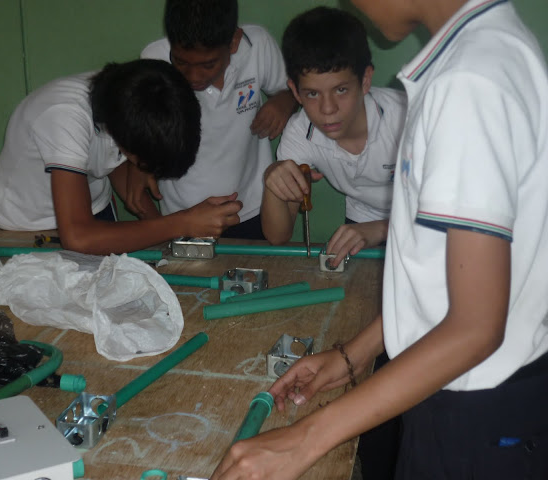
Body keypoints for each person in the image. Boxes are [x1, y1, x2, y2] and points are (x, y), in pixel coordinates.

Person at [211, 0, 548, 479]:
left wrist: (304, 439)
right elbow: (435, 280)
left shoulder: (469, 82)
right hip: (459, 389)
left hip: (476, 408)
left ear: (365, 81)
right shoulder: (481, 54)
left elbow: (475, 327)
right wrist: (353, 355)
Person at [0, 60, 242, 255]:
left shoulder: (125, 94)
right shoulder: (64, 115)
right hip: (25, 229)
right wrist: (183, 223)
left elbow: (107, 160)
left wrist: (166, 235)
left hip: (93, 215)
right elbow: (78, 238)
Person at [137, 0, 297, 240]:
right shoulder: (153, 61)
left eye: (207, 64)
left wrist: (285, 101)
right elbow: (140, 128)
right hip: (185, 214)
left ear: (234, 41)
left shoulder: (257, 45)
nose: (193, 76)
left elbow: (293, 91)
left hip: (252, 205)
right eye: (180, 62)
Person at [261, 6, 406, 267]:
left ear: (364, 81)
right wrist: (272, 181)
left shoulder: (407, 119)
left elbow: (451, 213)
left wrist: (380, 229)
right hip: (360, 221)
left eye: (340, 90)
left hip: (421, 224)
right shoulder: (299, 134)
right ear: (295, 91)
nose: (328, 109)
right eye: (312, 94)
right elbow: (277, 236)